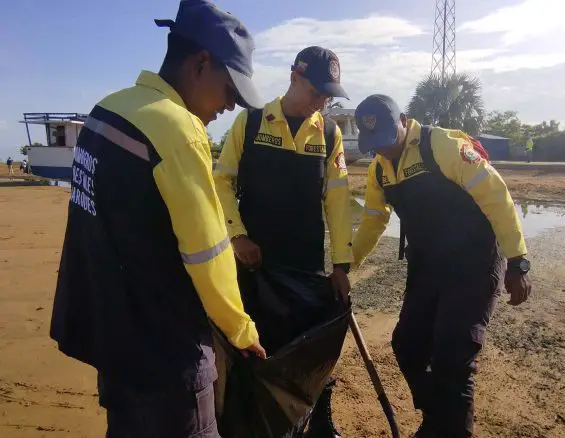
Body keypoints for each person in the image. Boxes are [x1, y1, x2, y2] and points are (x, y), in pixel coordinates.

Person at [49, 1, 264, 436]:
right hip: (168, 357)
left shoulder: (105, 112)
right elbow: (208, 253)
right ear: (201, 63)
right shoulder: (178, 130)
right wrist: (242, 331)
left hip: (116, 346)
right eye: (229, 90)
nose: (228, 107)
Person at [351, 95, 532, 438]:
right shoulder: (379, 169)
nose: (384, 150)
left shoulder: (443, 146)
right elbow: (374, 219)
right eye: (375, 145)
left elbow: (496, 195)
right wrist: (348, 264)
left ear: (404, 121)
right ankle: (439, 421)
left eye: (388, 139)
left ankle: (449, 428)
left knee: (454, 361)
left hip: (473, 263)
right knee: (408, 344)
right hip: (427, 266)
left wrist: (517, 260)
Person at [213, 46, 353, 437]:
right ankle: (244, 421)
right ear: (294, 77)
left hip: (304, 264)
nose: (322, 101)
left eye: (329, 95)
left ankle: (310, 420)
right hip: (252, 262)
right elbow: (221, 180)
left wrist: (341, 265)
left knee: (306, 349)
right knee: (249, 345)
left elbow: (338, 201)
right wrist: (237, 236)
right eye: (317, 92)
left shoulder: (328, 132)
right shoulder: (252, 122)